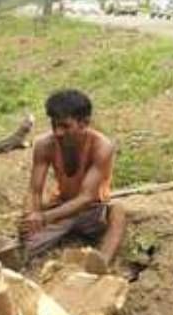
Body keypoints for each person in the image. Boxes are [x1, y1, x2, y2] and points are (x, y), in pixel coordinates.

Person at [19, 89, 127, 265]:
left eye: (65, 126)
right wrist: (31, 216)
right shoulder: (44, 145)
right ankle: (28, 250)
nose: (58, 132)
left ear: (84, 123)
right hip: (62, 208)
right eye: (54, 125)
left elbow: (86, 198)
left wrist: (45, 218)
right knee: (27, 243)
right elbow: (34, 190)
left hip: (93, 210)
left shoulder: (101, 147)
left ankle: (102, 262)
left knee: (117, 211)